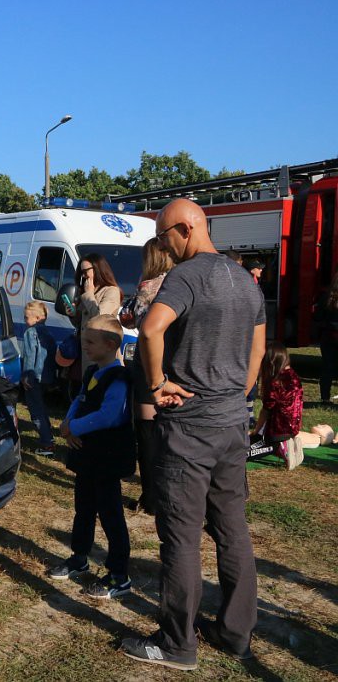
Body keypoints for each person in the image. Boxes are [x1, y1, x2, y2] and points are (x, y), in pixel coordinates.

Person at [122, 199, 266, 670]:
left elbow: (150, 329)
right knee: (232, 529)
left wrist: (159, 381)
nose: (163, 247)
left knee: (181, 537)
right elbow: (257, 352)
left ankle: (177, 644)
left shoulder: (187, 277)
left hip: (189, 427)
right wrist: (235, 393)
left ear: (185, 229)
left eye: (165, 238)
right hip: (231, 424)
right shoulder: (245, 280)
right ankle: (235, 632)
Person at [49, 315, 135, 599]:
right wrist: (66, 424)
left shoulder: (120, 377)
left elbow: (110, 415)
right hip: (86, 457)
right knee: (83, 509)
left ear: (110, 344)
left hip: (106, 459)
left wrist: (74, 427)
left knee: (111, 515)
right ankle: (79, 557)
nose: (83, 345)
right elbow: (80, 399)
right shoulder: (91, 372)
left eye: (89, 341)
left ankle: (119, 574)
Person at [120, 238, 174, 514]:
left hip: (149, 356)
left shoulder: (149, 286)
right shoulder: (180, 281)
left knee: (148, 429)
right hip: (176, 358)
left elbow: (127, 316)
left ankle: (152, 496)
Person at [253, 342, 303, 464]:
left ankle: (282, 449)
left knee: (254, 445)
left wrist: (256, 430)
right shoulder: (294, 376)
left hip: (279, 430)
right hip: (294, 427)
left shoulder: (276, 382)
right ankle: (290, 444)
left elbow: (266, 410)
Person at [74, 253, 122, 372]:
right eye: (81, 272)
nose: (84, 276)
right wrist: (73, 314)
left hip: (103, 354)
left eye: (86, 271)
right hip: (86, 351)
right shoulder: (87, 292)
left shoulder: (111, 291)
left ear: (97, 269)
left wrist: (88, 295)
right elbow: (81, 324)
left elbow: (100, 319)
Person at [21, 301, 56, 455]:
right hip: (45, 377)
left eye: (26, 317)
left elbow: (30, 355)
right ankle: (49, 437)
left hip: (33, 377)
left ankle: (46, 444)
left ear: (36, 318)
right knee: (41, 407)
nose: (24, 321)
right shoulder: (48, 333)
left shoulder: (30, 333)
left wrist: (26, 376)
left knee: (35, 410)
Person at [314, 272, 338, 403]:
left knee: (327, 368)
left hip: (328, 336)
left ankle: (325, 397)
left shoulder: (326, 296)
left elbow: (317, 317)